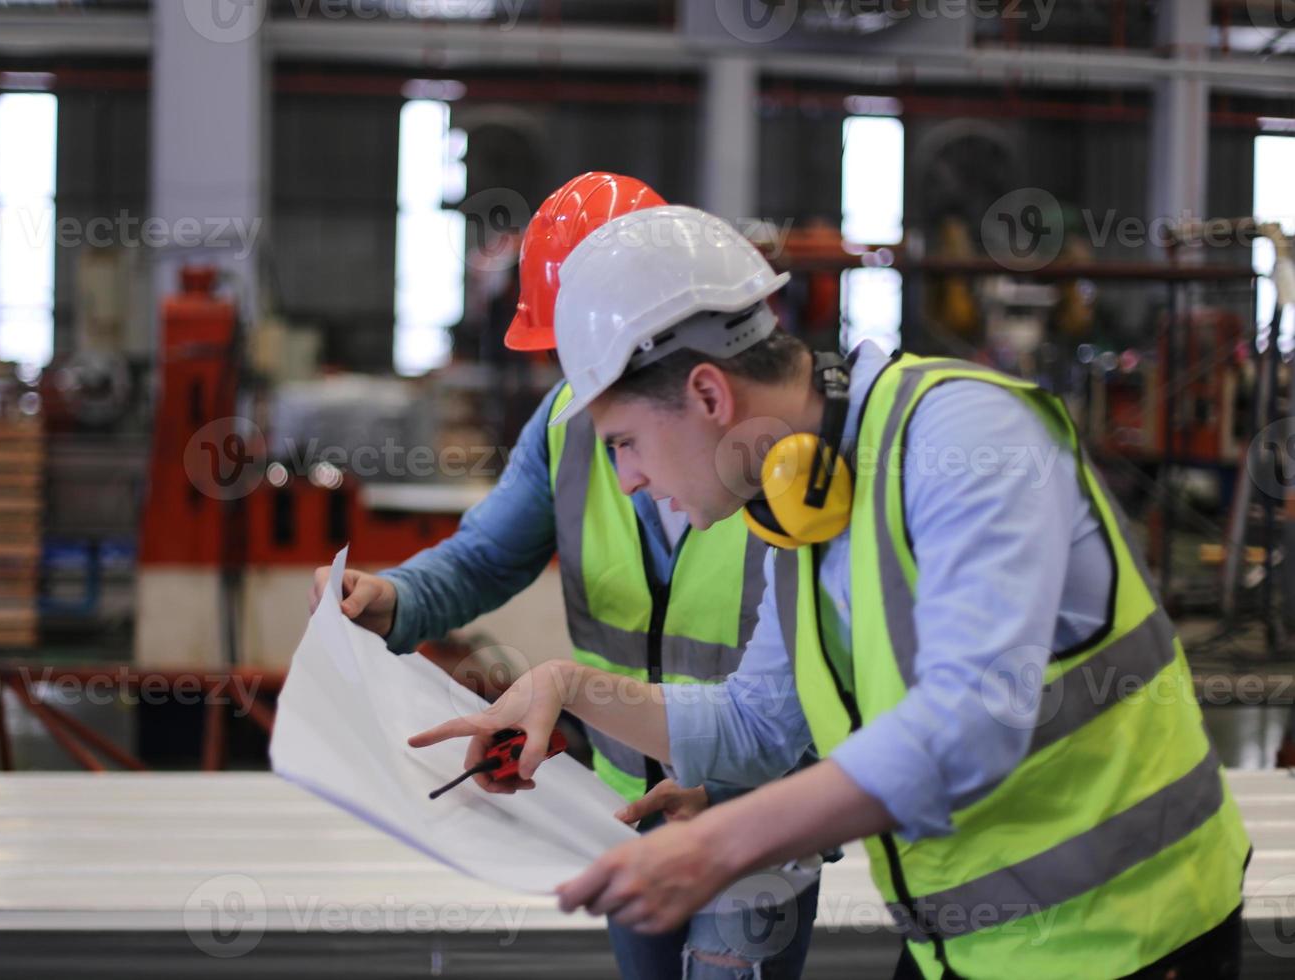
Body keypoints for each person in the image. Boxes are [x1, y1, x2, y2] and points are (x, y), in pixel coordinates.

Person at [410, 205, 1252, 979]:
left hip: (1132, 940)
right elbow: (758, 724)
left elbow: (970, 727)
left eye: (625, 442)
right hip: (965, 947)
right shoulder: (802, 505)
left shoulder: (966, 440)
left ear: (708, 393)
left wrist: (718, 847)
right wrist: (567, 687)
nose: (625, 480)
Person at [309, 176, 822, 980]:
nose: (580, 377)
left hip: (754, 808)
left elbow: (812, 695)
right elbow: (484, 557)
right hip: (621, 804)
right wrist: (395, 598)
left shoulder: (792, 475)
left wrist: (763, 802)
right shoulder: (567, 428)